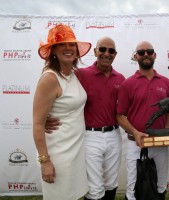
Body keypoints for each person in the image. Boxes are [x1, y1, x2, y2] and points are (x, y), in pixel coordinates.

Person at [45, 36, 125, 200]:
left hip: (114, 135)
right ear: (95, 51)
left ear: (115, 55)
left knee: (111, 183)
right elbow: (63, 96)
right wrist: (46, 117)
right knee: (94, 188)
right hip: (90, 136)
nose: (106, 54)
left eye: (111, 51)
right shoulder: (81, 74)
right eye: (102, 49)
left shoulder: (121, 79)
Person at [33, 24, 91, 199]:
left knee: (75, 195)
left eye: (71, 44)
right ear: (53, 50)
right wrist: (45, 161)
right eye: (61, 44)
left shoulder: (73, 74)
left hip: (75, 152)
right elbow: (37, 124)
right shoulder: (50, 78)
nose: (68, 48)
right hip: (57, 155)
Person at [116, 41, 169, 200]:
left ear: (154, 55)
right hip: (136, 143)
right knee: (133, 188)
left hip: (160, 144)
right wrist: (135, 132)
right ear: (136, 57)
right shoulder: (128, 84)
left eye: (149, 51)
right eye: (141, 52)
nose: (146, 54)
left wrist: (166, 134)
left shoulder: (166, 82)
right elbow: (120, 115)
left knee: (160, 185)